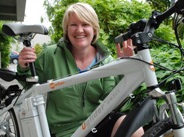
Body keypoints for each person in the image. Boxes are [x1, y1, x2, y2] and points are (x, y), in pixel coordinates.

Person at [17, 2, 144, 137]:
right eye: (73, 25)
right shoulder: (50, 55)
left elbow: (114, 101)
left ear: (94, 29)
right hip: (65, 131)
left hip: (96, 124)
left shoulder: (106, 61)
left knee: (134, 128)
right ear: (66, 29)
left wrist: (124, 70)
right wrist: (24, 67)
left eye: (85, 24)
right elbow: (29, 87)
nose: (79, 30)